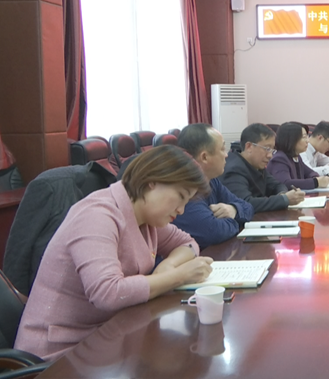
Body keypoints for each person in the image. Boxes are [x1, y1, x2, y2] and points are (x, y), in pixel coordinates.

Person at [14, 146, 214, 360]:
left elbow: (188, 244)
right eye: (181, 196)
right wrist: (178, 276)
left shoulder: (145, 217)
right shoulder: (98, 215)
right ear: (152, 181)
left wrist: (168, 265)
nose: (181, 210)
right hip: (58, 354)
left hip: (106, 338)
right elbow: (107, 293)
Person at [172, 123, 254, 250]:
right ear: (204, 157)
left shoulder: (212, 180)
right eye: (222, 149)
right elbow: (214, 231)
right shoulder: (185, 188)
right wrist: (236, 220)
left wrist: (234, 209)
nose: (226, 155)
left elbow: (248, 207)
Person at [221, 123, 305, 213]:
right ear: (249, 147)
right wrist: (284, 199)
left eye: (272, 150)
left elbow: (277, 185)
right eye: (267, 149)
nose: (270, 155)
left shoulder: (256, 164)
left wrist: (282, 193)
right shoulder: (234, 169)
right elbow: (244, 203)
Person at [268, 122, 329, 190]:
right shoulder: (279, 159)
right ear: (291, 139)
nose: (307, 141)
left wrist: (317, 178)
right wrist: (316, 182)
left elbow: (310, 173)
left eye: (307, 136)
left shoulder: (296, 156)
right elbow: (286, 183)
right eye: (304, 137)